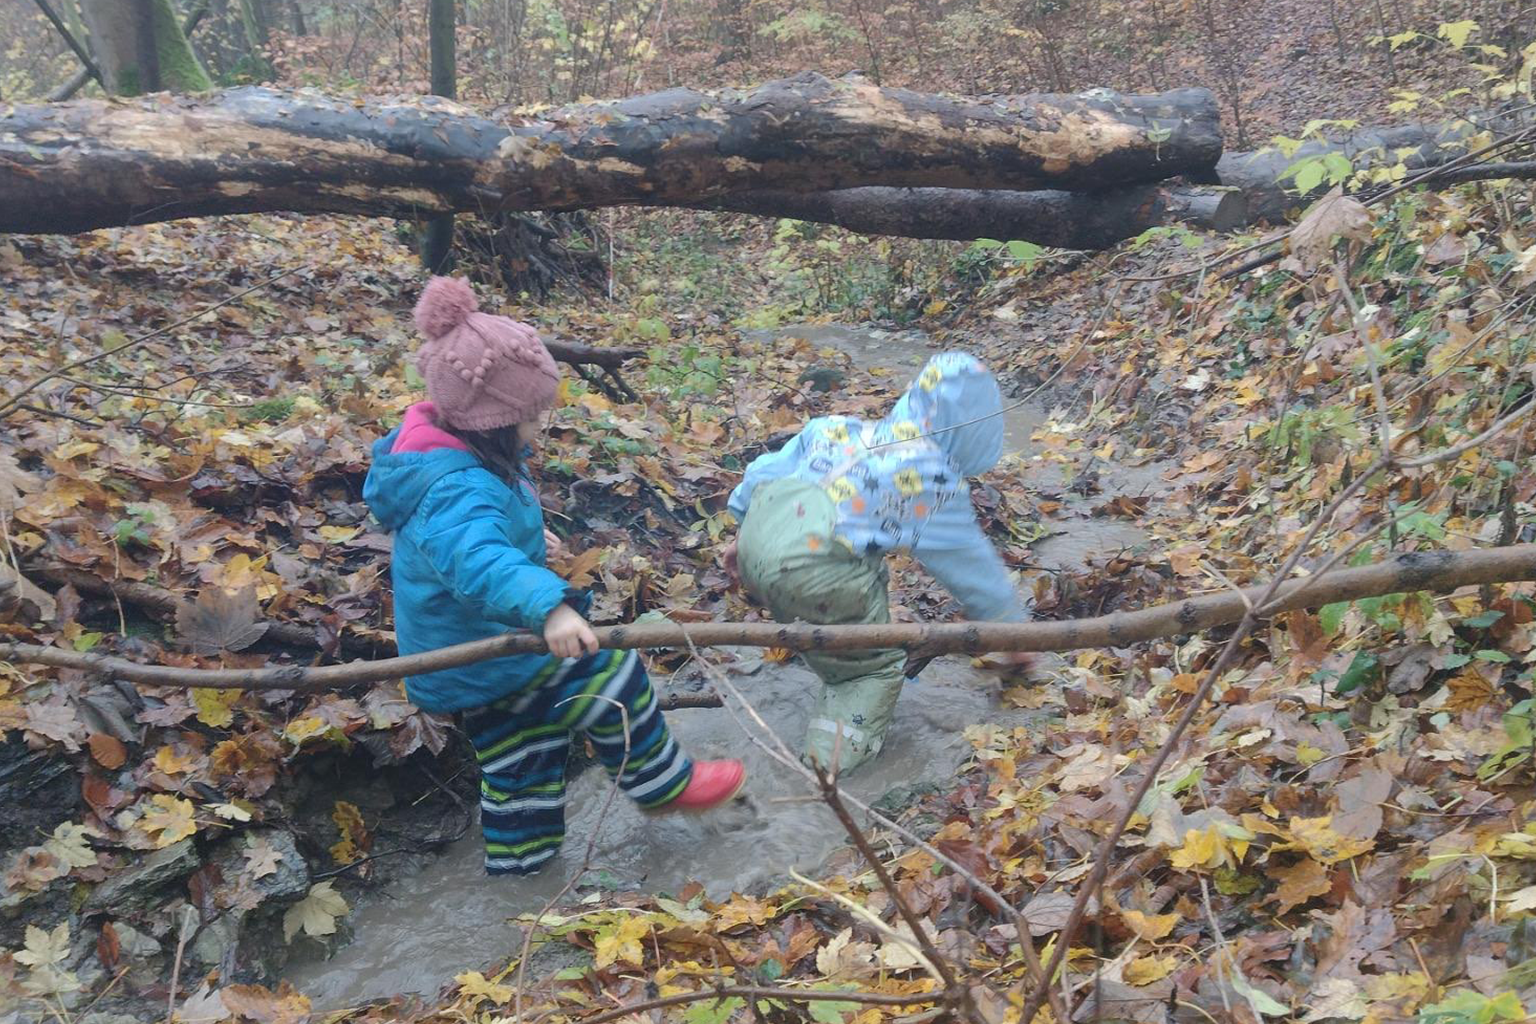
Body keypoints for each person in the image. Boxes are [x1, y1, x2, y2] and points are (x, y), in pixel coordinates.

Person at [364, 276, 745, 876]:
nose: (539, 426)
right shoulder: (455, 486)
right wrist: (549, 606)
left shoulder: (454, 459)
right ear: (491, 422)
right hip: (487, 653)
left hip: (471, 658)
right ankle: (661, 783)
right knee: (612, 674)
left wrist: (522, 539)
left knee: (523, 772)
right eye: (531, 416)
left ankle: (520, 883)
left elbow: (479, 539)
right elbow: (479, 562)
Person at [722, 351, 1034, 774]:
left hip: (760, 539)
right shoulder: (934, 480)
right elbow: (975, 574)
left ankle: (832, 652)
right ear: (977, 430)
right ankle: (824, 778)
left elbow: (765, 473)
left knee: (866, 577)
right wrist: (1015, 637)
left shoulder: (838, 428)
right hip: (808, 571)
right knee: (870, 671)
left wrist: (739, 533)